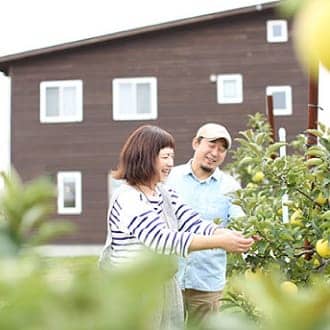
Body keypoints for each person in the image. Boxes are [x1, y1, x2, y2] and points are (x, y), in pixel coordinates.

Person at [99, 125, 254, 330]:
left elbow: (192, 221)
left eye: (172, 157)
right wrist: (221, 242)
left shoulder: (162, 192)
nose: (170, 164)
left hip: (162, 286)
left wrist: (233, 235)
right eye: (165, 157)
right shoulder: (129, 197)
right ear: (145, 156)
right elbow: (161, 240)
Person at [166, 122, 245, 325]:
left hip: (206, 281)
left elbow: (240, 223)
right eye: (211, 145)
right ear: (196, 143)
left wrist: (250, 233)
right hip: (168, 277)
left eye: (222, 149)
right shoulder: (169, 178)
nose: (215, 153)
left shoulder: (230, 187)